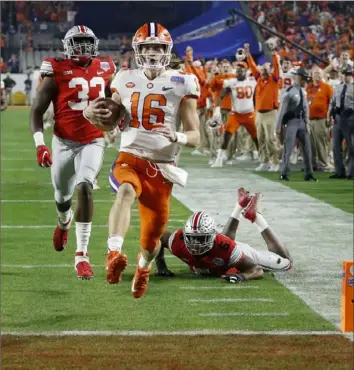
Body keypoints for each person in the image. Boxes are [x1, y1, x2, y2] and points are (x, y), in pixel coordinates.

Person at [84, 22, 200, 298]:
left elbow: (196, 136)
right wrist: (91, 113)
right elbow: (108, 120)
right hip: (130, 157)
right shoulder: (123, 78)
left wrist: (178, 137)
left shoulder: (183, 81)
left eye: (157, 47)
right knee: (124, 191)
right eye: (147, 47)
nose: (151, 52)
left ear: (166, 50)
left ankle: (143, 268)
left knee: (151, 242)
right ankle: (113, 253)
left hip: (161, 169)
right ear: (138, 49)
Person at [30, 25, 116, 280]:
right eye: (77, 43)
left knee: (85, 187)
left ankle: (81, 255)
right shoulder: (56, 69)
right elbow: (36, 109)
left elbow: (115, 100)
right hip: (63, 142)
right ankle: (63, 222)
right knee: (62, 195)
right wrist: (40, 144)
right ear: (68, 46)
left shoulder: (106, 67)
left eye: (86, 42)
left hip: (93, 140)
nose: (82, 48)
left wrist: (115, 119)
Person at [155, 188, 292, 281]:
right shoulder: (177, 241)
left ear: (212, 236)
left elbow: (255, 269)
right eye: (192, 238)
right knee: (222, 249)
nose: (195, 244)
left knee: (286, 262)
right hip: (221, 252)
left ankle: (256, 217)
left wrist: (242, 277)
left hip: (239, 252)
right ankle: (239, 206)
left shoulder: (228, 248)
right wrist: (161, 266)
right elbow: (158, 235)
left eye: (200, 239)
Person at [211, 62, 258, 168]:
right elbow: (221, 95)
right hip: (236, 114)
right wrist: (217, 108)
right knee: (227, 136)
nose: (239, 72)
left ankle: (264, 158)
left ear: (246, 71)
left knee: (256, 137)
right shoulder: (231, 82)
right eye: (237, 70)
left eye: (241, 70)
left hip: (249, 113)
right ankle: (219, 159)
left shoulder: (252, 80)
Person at [276, 68, 317, 182]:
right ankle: (284, 173)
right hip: (291, 122)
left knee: (307, 148)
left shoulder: (303, 91)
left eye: (305, 79)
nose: (305, 81)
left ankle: (309, 173)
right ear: (298, 77)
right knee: (288, 149)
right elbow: (282, 110)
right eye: (303, 78)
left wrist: (307, 122)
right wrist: (278, 126)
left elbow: (305, 108)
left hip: (302, 122)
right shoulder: (289, 92)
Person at [245, 43, 280, 172]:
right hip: (259, 113)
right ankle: (264, 161)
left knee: (271, 139)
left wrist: (274, 54)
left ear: (270, 70)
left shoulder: (274, 79)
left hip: (270, 113)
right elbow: (252, 66)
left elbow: (276, 67)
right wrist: (248, 53)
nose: (264, 71)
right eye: (263, 69)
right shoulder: (259, 79)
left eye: (266, 69)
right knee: (260, 138)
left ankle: (275, 161)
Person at [329, 65, 354, 180]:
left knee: (351, 146)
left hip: (350, 118)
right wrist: (330, 114)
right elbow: (332, 102)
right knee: (335, 146)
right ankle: (339, 171)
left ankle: (351, 172)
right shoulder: (338, 88)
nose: (346, 76)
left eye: (348, 74)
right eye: (344, 74)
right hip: (338, 118)